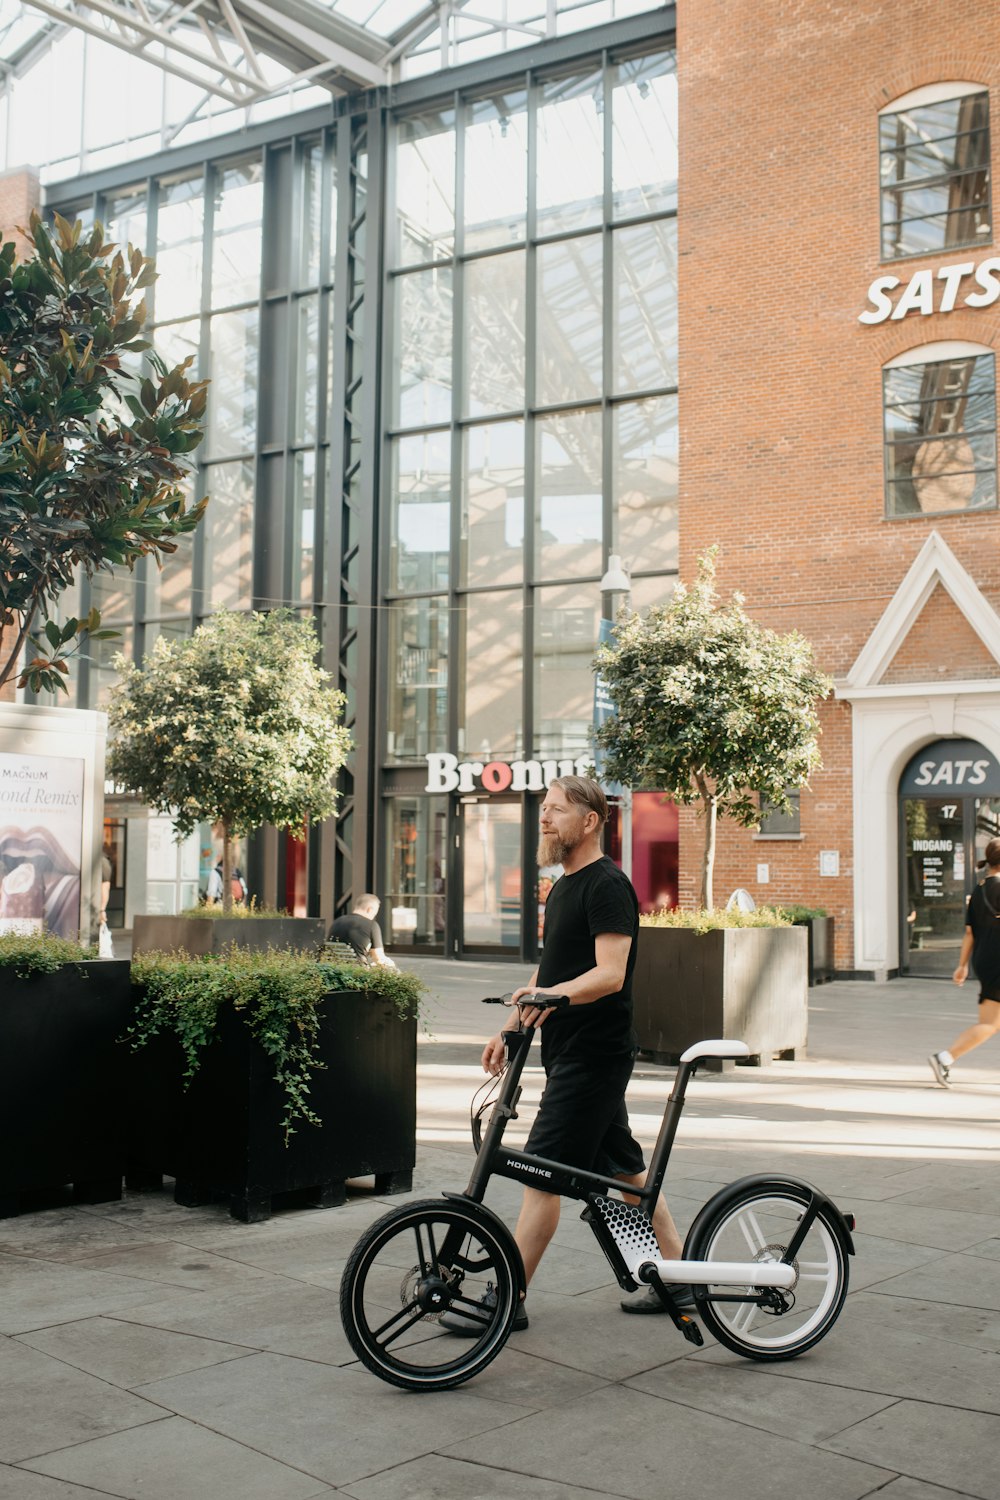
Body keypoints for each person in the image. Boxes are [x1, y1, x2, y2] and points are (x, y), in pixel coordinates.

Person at [442, 775, 686, 1335]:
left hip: (594, 1057)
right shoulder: (564, 886)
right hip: (569, 1051)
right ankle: (679, 1279)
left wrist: (548, 998)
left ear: (590, 820)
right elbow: (549, 972)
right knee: (628, 1174)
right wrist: (509, 1026)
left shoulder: (607, 886)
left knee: (542, 1176)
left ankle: (510, 1296)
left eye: (555, 810)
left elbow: (610, 973)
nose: (544, 818)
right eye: (544, 809)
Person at [929, 837, 1000, 1086]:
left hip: (985, 959)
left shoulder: (979, 890)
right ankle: (945, 1057)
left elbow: (969, 932)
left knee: (990, 1022)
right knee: (990, 1024)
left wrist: (962, 965)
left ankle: (946, 1058)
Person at [329, 894, 398, 969]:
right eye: (375, 913)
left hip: (334, 970)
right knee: (389, 965)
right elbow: (378, 958)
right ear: (369, 909)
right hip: (358, 973)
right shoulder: (372, 925)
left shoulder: (337, 922)